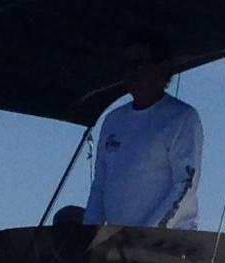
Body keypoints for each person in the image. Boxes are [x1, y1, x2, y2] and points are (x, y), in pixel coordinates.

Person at [77, 33, 202, 230]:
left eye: (138, 65)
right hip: (118, 246)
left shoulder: (182, 117)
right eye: (125, 67)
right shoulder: (113, 120)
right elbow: (100, 186)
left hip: (168, 245)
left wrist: (146, 235)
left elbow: (185, 186)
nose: (130, 73)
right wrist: (87, 236)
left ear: (163, 69)